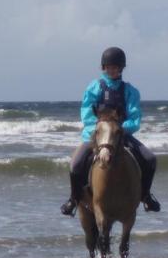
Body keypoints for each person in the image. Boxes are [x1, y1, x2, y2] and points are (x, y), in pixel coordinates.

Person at [60, 47, 161, 217]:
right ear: (103, 68)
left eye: (116, 67)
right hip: (96, 136)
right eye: (109, 67)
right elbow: (87, 113)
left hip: (121, 136)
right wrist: (100, 130)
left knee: (150, 159)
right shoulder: (94, 87)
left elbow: (134, 117)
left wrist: (118, 130)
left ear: (121, 68)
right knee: (76, 164)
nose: (112, 70)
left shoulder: (130, 91)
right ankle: (74, 199)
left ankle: (145, 196)